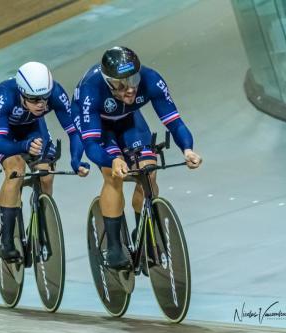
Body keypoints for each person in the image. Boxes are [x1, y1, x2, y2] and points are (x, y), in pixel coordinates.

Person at [72, 46, 202, 269]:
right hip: (98, 125)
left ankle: (143, 230)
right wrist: (112, 160)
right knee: (113, 176)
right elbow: (91, 144)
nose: (130, 88)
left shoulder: (151, 79)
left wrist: (187, 149)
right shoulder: (91, 89)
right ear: (108, 82)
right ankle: (113, 246)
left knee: (149, 172)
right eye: (121, 84)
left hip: (128, 119)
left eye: (133, 78)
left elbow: (174, 122)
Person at [0, 61, 89, 260]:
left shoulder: (56, 93)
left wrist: (76, 160)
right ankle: (5, 240)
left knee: (46, 174)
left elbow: (75, 131)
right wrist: (22, 146)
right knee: (16, 170)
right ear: (22, 94)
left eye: (44, 99)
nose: (41, 104)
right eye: (34, 99)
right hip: (6, 132)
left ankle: (41, 225)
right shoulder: (5, 95)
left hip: (33, 126)